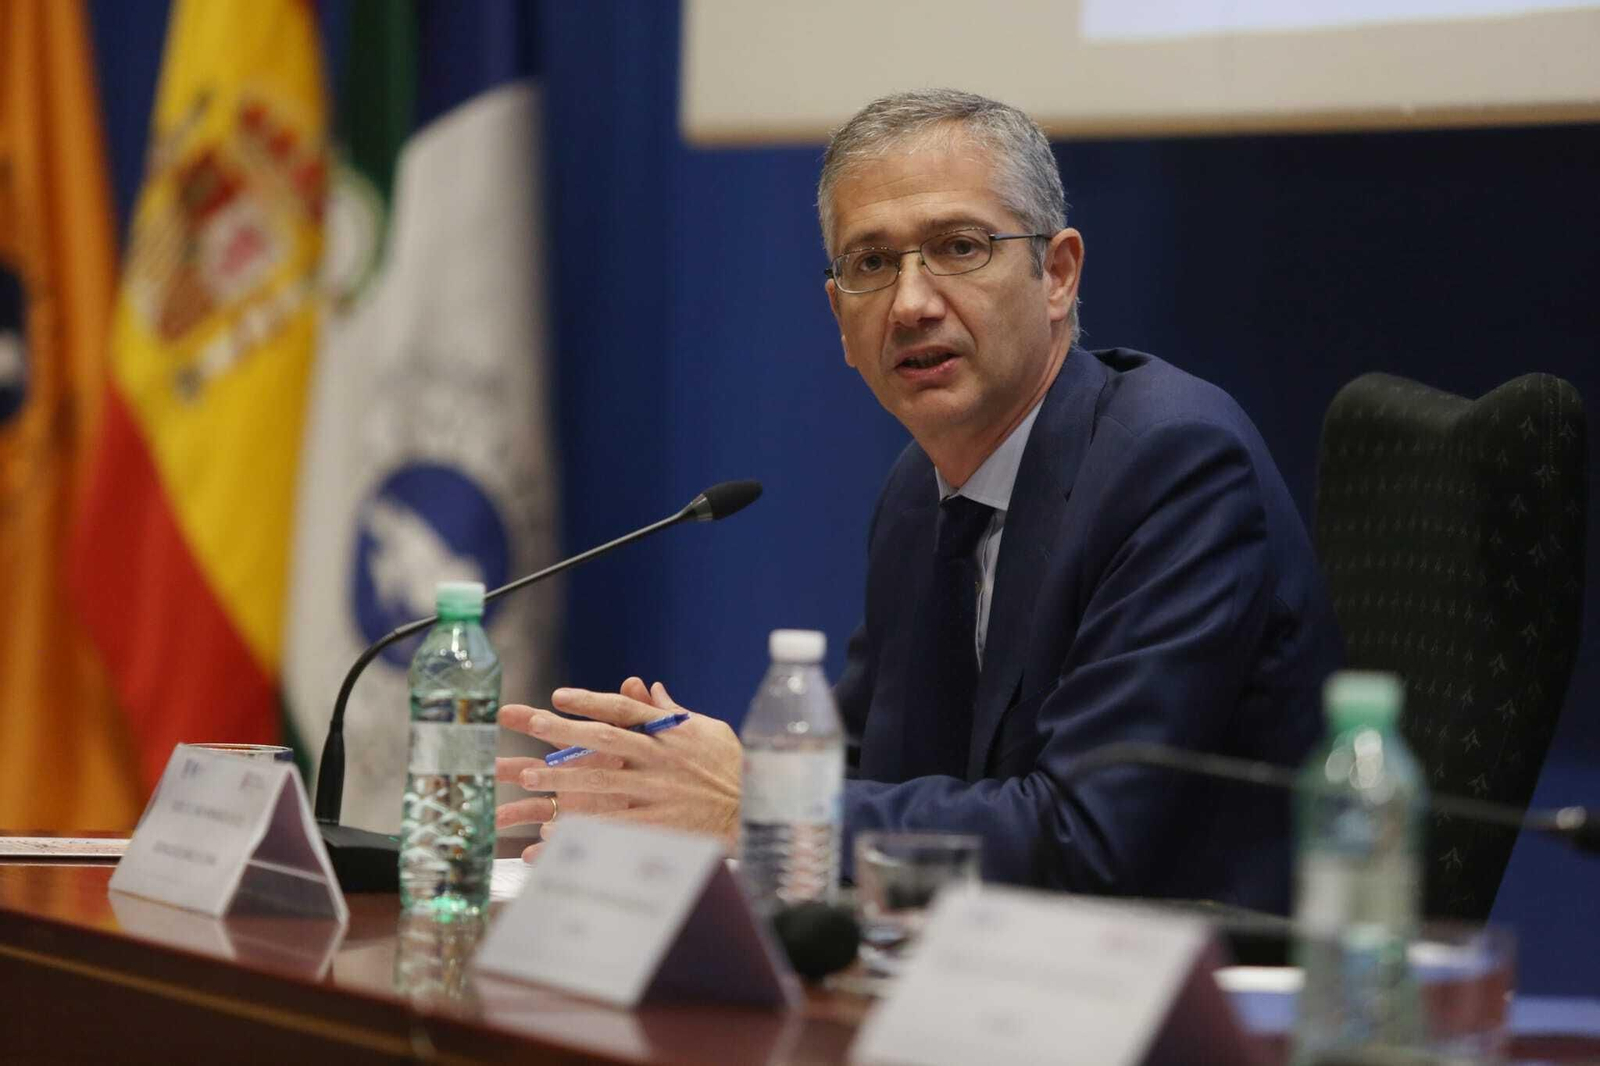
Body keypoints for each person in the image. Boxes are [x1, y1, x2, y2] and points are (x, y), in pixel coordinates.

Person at [494, 89, 1342, 912]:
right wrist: (668, 793)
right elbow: (871, 777)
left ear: (1058, 273)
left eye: (960, 247)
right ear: (838, 316)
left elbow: (1088, 841)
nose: (911, 302)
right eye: (871, 263)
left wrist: (751, 801)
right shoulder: (920, 491)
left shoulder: (1173, 464)